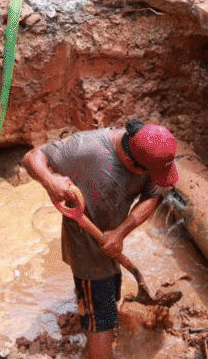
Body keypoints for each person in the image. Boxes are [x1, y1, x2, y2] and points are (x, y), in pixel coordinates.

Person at [21, 118, 179, 359]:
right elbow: (32, 157)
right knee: (102, 319)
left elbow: (152, 196)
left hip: (112, 244)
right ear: (130, 162)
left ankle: (89, 315)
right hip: (88, 249)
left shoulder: (148, 155)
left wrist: (120, 232)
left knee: (105, 299)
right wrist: (49, 180)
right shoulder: (85, 150)